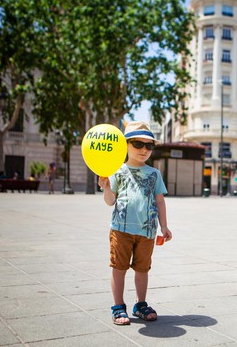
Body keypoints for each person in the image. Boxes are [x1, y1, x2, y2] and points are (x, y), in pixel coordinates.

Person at [98, 121, 172, 326]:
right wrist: (106, 187)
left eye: (149, 146)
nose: (144, 150)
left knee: (142, 269)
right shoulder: (117, 170)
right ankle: (118, 306)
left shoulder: (154, 173)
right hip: (121, 229)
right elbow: (110, 201)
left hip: (147, 231)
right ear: (126, 145)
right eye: (138, 144)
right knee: (119, 267)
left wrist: (164, 226)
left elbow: (160, 200)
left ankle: (140, 304)